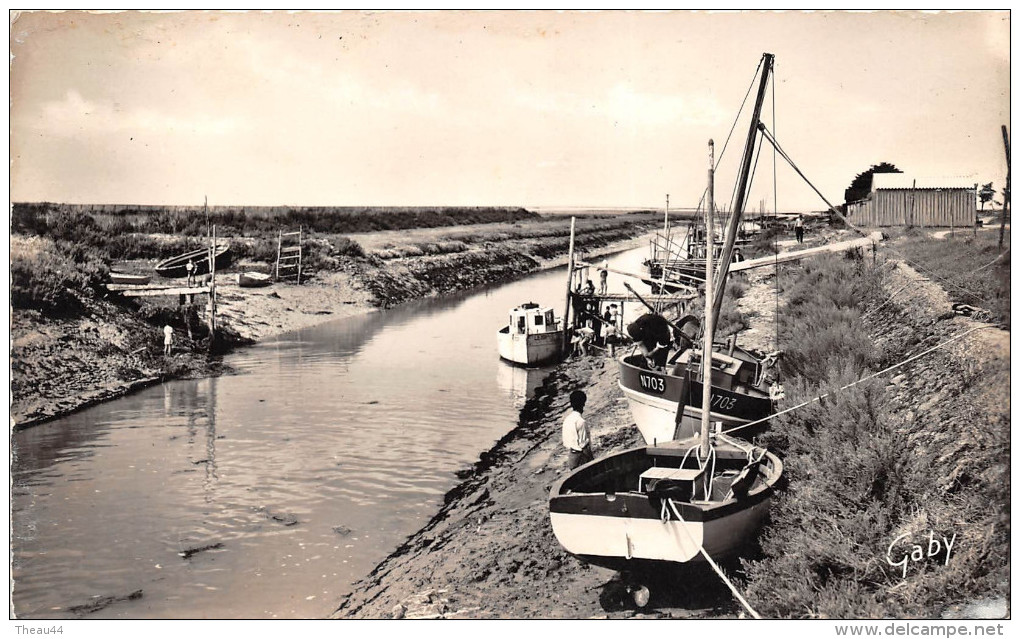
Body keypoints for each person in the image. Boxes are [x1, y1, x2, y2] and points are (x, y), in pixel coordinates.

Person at [562, 390, 592, 469]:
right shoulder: (581, 422)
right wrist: (592, 460)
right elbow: (584, 445)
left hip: (571, 457)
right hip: (580, 458)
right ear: (583, 404)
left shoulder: (567, 420)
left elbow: (566, 442)